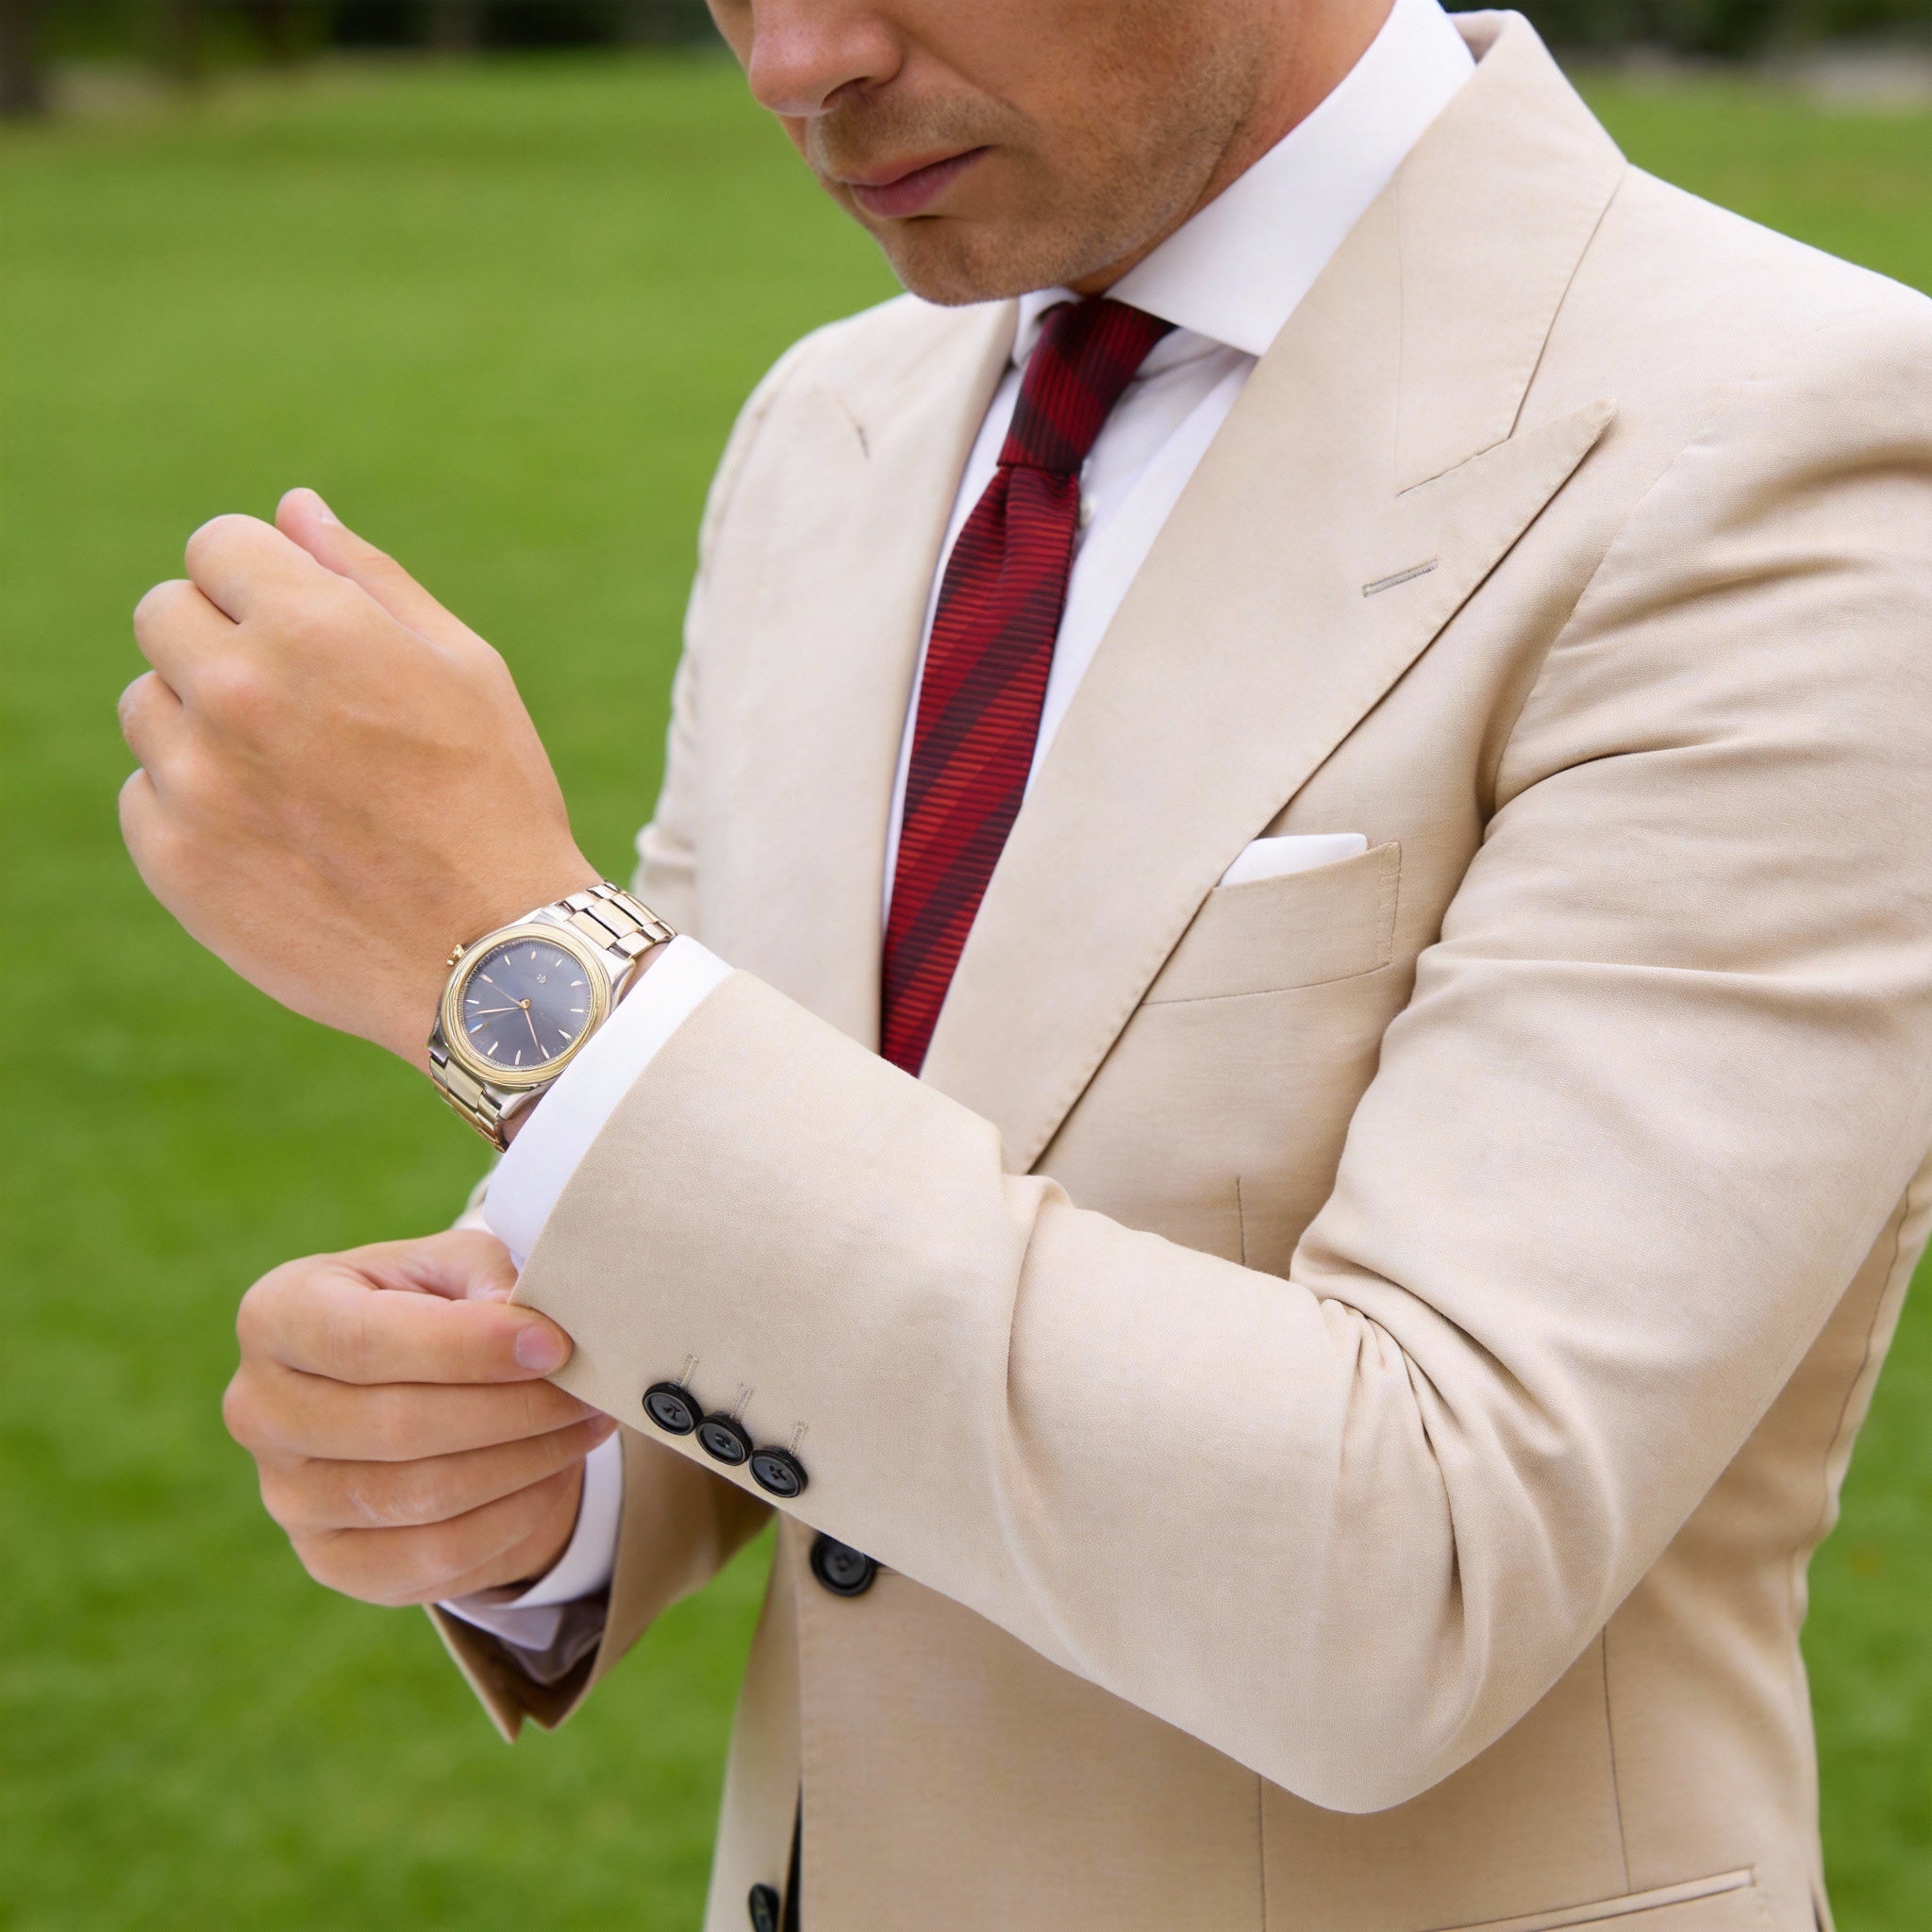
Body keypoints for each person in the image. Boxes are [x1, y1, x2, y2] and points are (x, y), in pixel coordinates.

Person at [116, 0, 1932, 1924]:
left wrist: (535, 985)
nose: (791, 61)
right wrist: (516, 1459)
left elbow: (1421, 1570)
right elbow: (770, 1200)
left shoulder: (1785, 444)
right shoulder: (835, 422)